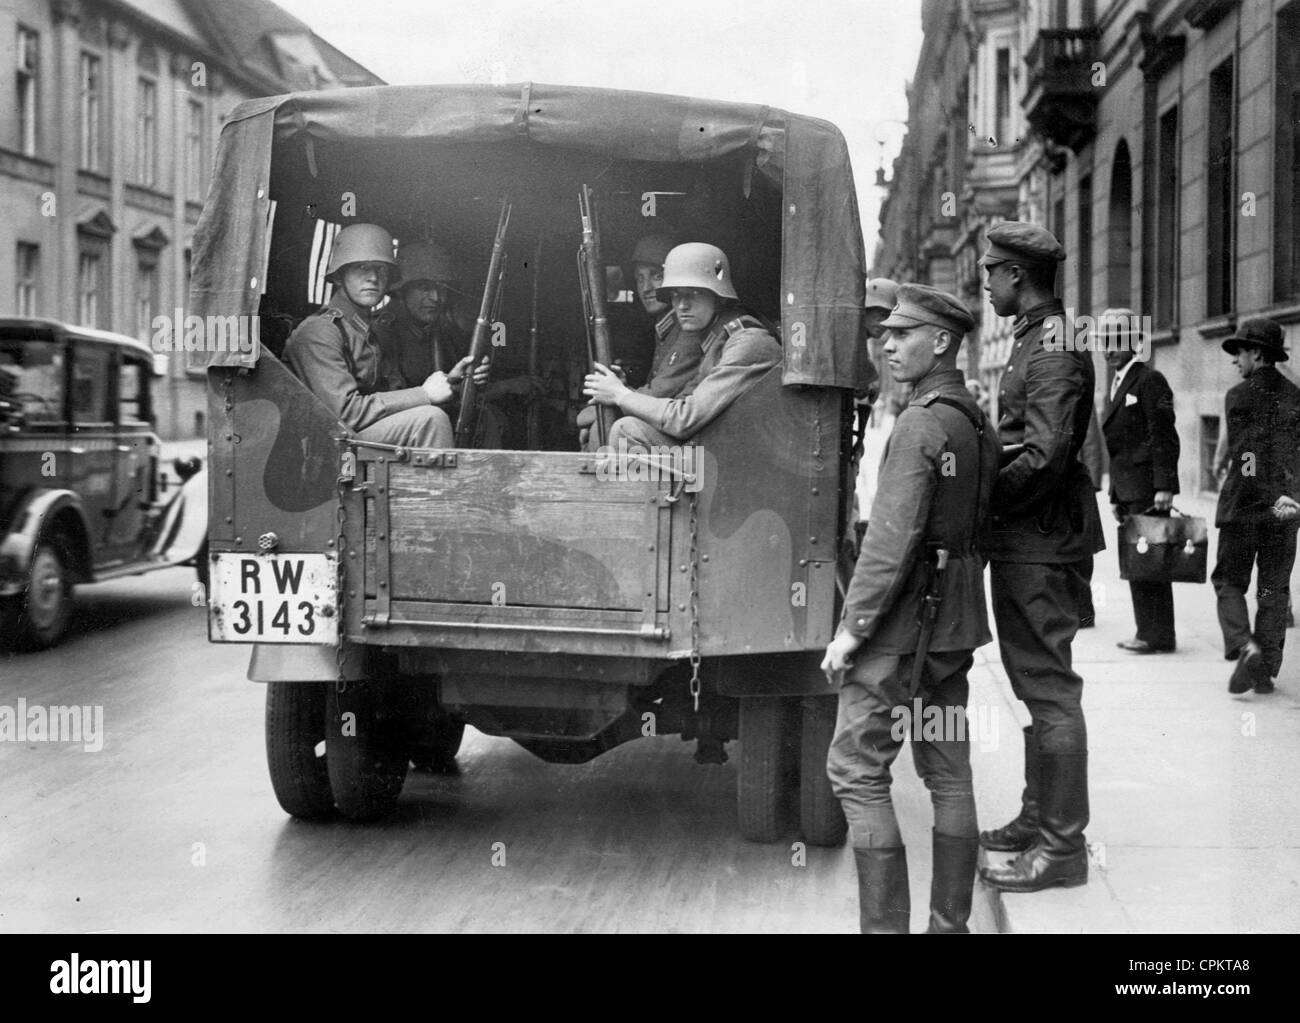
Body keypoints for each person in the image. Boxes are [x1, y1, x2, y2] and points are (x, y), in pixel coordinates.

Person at [822, 284, 999, 934]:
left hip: (902, 626)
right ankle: (949, 926)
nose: (887, 344)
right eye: (885, 334)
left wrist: (850, 631)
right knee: (948, 770)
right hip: (954, 625)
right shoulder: (972, 416)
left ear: (943, 341)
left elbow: (889, 543)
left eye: (903, 334)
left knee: (856, 766)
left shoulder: (923, 420)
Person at [975, 221, 1103, 894]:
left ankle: (1062, 846)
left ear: (1016, 277)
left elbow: (1048, 455)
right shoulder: (1039, 337)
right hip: (1031, 540)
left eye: (990, 273)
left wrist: (987, 496)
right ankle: (1038, 817)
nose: (985, 283)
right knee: (1035, 685)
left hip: (1040, 542)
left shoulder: (1051, 348)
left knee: (1050, 690)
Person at [582, 242, 781, 447]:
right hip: (719, 447)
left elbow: (684, 418)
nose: (682, 305)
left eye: (693, 293)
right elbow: (684, 400)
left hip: (741, 456)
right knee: (624, 429)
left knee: (627, 431)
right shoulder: (714, 341)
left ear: (719, 298)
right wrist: (622, 392)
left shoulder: (748, 343)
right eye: (676, 295)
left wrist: (620, 395)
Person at [284, 223, 464, 449]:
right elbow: (345, 413)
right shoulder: (320, 331)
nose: (373, 278)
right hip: (322, 448)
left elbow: (393, 395)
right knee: (429, 419)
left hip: (352, 440)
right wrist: (424, 394)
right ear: (340, 276)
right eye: (361, 267)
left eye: (381, 269)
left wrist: (450, 384)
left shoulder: (368, 331)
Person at [1213, 317, 1300, 694]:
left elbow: (1246, 456)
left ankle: (1243, 646)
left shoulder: (1240, 396)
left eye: (1241, 352)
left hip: (1245, 507)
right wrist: (1290, 495)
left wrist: (1264, 493)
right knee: (1273, 589)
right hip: (1285, 511)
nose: (1236, 361)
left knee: (1229, 581)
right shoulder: (1296, 396)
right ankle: (1264, 669)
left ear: (1257, 354)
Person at [1100, 308, 1180, 654]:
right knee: (1139, 560)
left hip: (1148, 488)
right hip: (1129, 489)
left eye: (1116, 341)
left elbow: (1163, 435)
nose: (1109, 349)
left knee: (1149, 560)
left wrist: (1165, 485)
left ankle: (1155, 634)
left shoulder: (1149, 380)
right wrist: (1116, 494)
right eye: (1105, 342)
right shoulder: (1117, 383)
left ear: (1134, 342)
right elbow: (1119, 448)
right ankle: (1151, 631)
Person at [577, 233, 699, 449]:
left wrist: (614, 394)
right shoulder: (665, 328)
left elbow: (658, 396)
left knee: (601, 425)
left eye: (656, 276)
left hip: (688, 438)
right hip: (671, 427)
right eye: (640, 278)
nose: (646, 288)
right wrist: (620, 387)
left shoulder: (688, 330)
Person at [370, 240, 495, 440]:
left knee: (485, 417)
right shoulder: (380, 332)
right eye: (424, 287)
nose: (436, 297)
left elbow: (450, 390)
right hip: (399, 435)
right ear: (403, 290)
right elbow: (389, 403)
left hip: (430, 428)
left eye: (442, 288)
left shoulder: (442, 332)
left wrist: (462, 382)